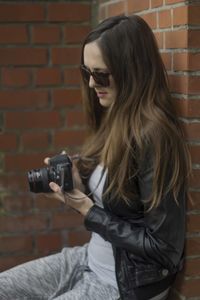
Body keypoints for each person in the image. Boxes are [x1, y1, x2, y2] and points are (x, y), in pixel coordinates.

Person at [0, 14, 191, 300]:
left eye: (100, 74)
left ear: (131, 71)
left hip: (125, 284)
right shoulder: (114, 117)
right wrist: (79, 184)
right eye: (86, 72)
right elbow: (120, 200)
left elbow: (164, 248)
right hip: (89, 259)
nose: (91, 84)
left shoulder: (155, 135)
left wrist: (89, 211)